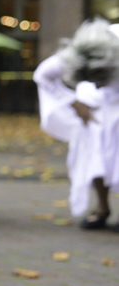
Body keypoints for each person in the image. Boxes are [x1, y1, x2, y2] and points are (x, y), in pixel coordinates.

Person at [33, 17, 119, 230]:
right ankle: (102, 208)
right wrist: (73, 102)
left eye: (100, 79)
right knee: (95, 156)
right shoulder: (74, 55)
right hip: (93, 108)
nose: (98, 85)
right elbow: (42, 75)